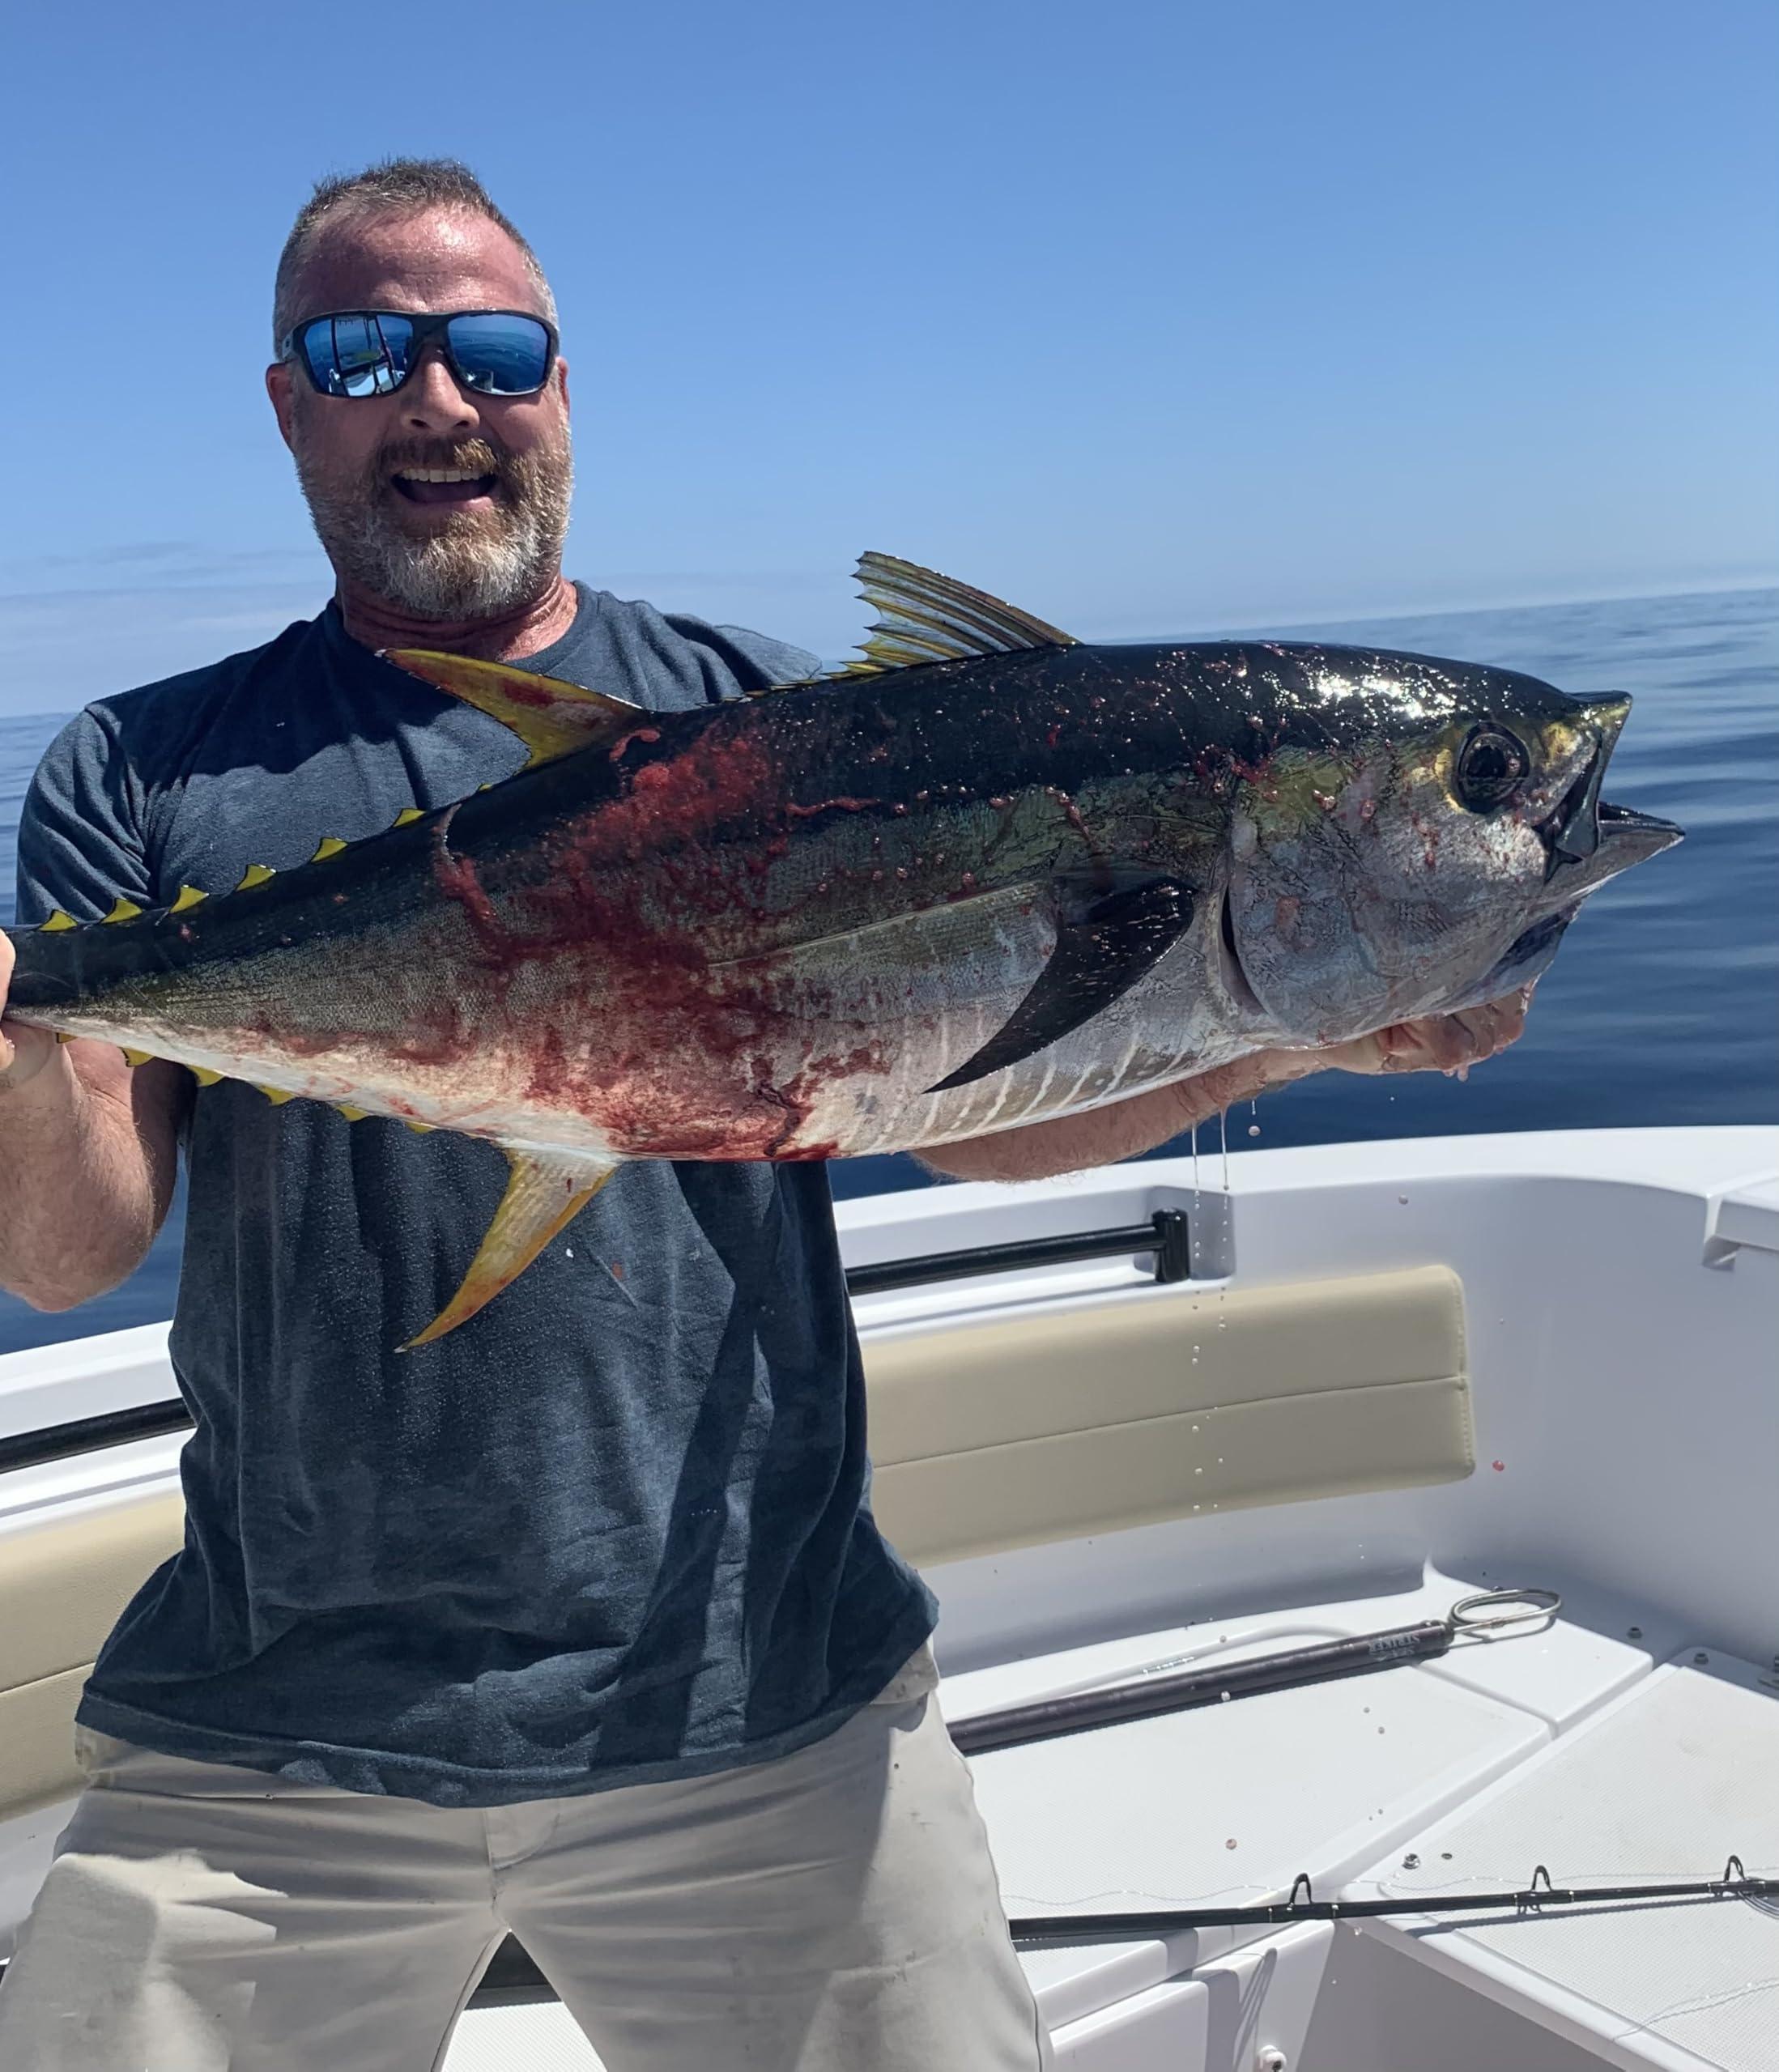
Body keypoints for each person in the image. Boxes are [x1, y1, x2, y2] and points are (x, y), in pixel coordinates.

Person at [0, 160, 1526, 2071]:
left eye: (491, 347)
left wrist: (1293, 1027)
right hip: (266, 1732)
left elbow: (966, 1113)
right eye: (361, 348)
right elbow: (64, 1253)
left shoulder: (772, 726)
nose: (438, 397)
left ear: (560, 385)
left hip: (771, 1704)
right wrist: (6, 1034)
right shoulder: (140, 774)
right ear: (289, 399)